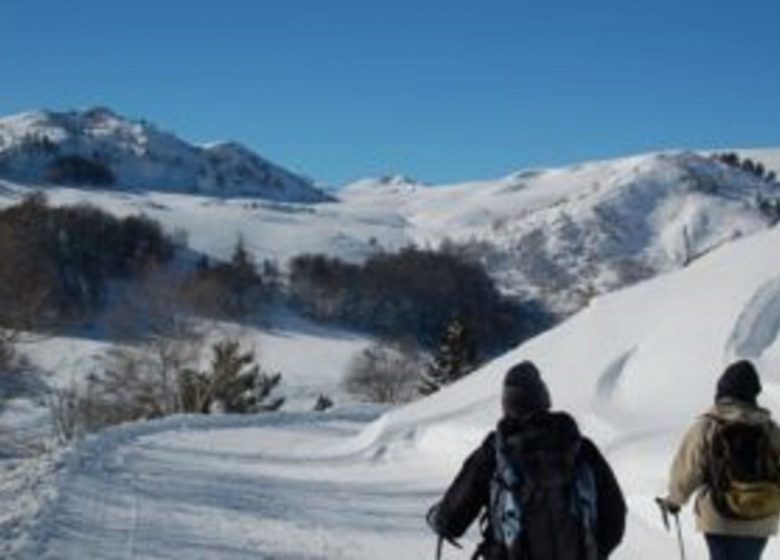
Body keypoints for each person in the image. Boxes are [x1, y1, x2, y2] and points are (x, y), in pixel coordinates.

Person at [426, 361, 627, 559]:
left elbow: (451, 520)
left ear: (507, 403)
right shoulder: (580, 447)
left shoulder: (496, 451)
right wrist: (593, 552)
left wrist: (439, 518)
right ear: (543, 396)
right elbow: (615, 513)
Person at [659, 360, 780, 560]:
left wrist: (674, 500)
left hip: (720, 516)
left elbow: (688, 468)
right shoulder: (769, 429)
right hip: (761, 515)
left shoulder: (708, 425)